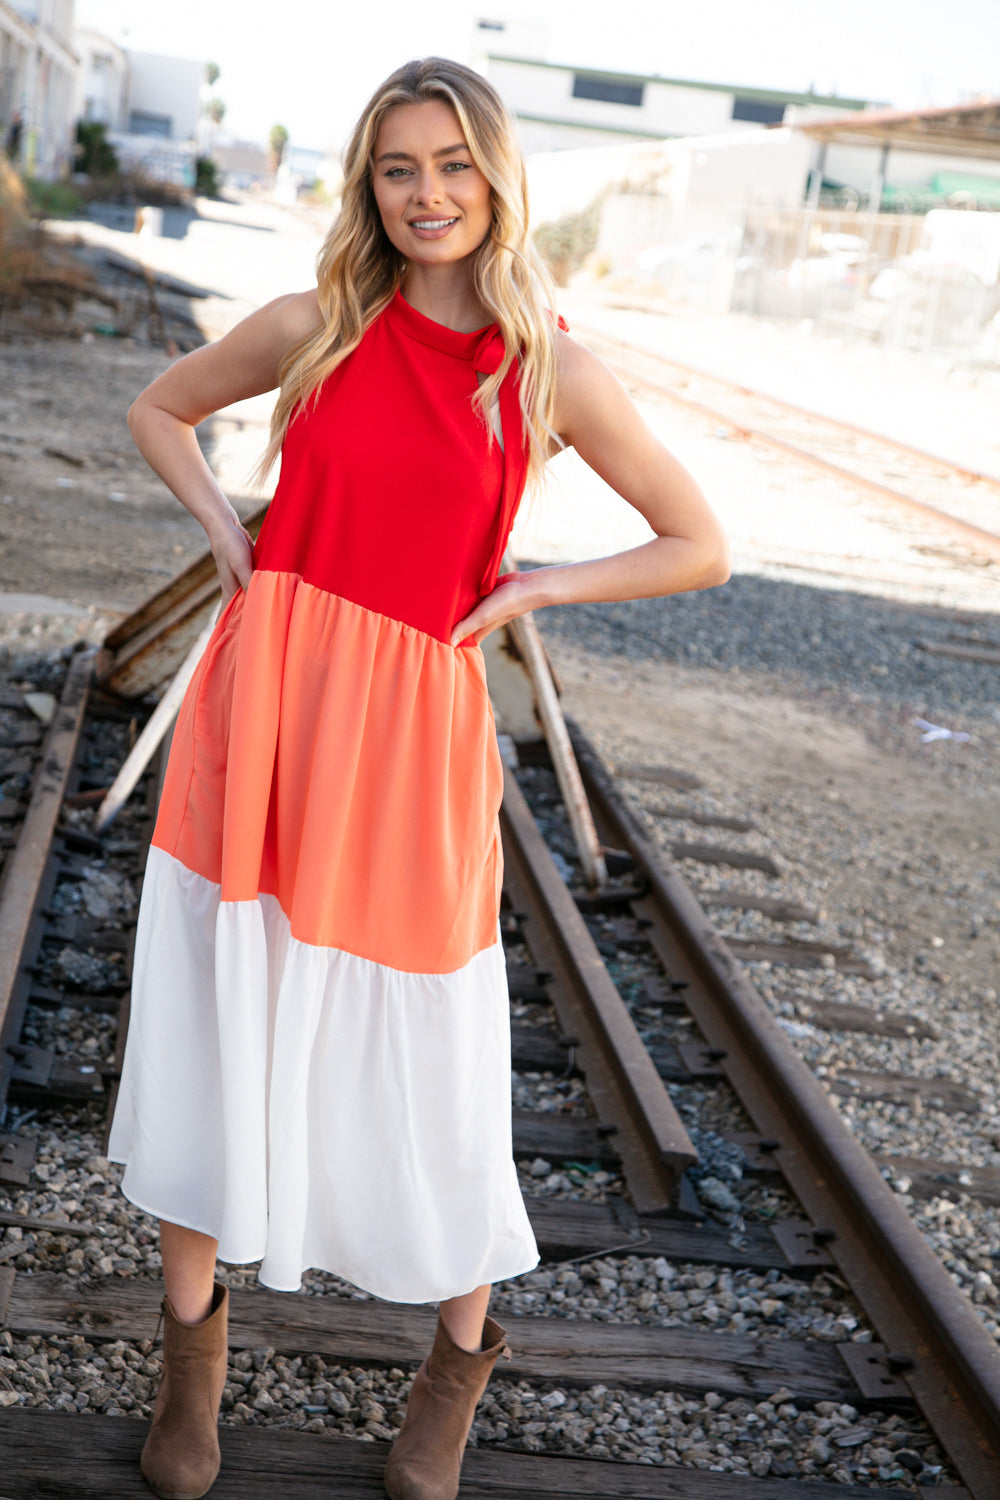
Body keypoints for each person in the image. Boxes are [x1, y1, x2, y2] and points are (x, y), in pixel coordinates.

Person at [108, 55, 730, 1500]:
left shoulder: (551, 366)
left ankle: (454, 1374)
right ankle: (191, 1362)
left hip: (410, 738)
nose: (428, 192)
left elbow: (697, 542)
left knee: (431, 1050)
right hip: (266, 703)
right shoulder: (318, 323)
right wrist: (224, 532)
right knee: (223, 1005)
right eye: (399, 167)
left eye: (453, 163)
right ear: (369, 187)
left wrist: (536, 593)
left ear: (497, 176)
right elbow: (160, 410)